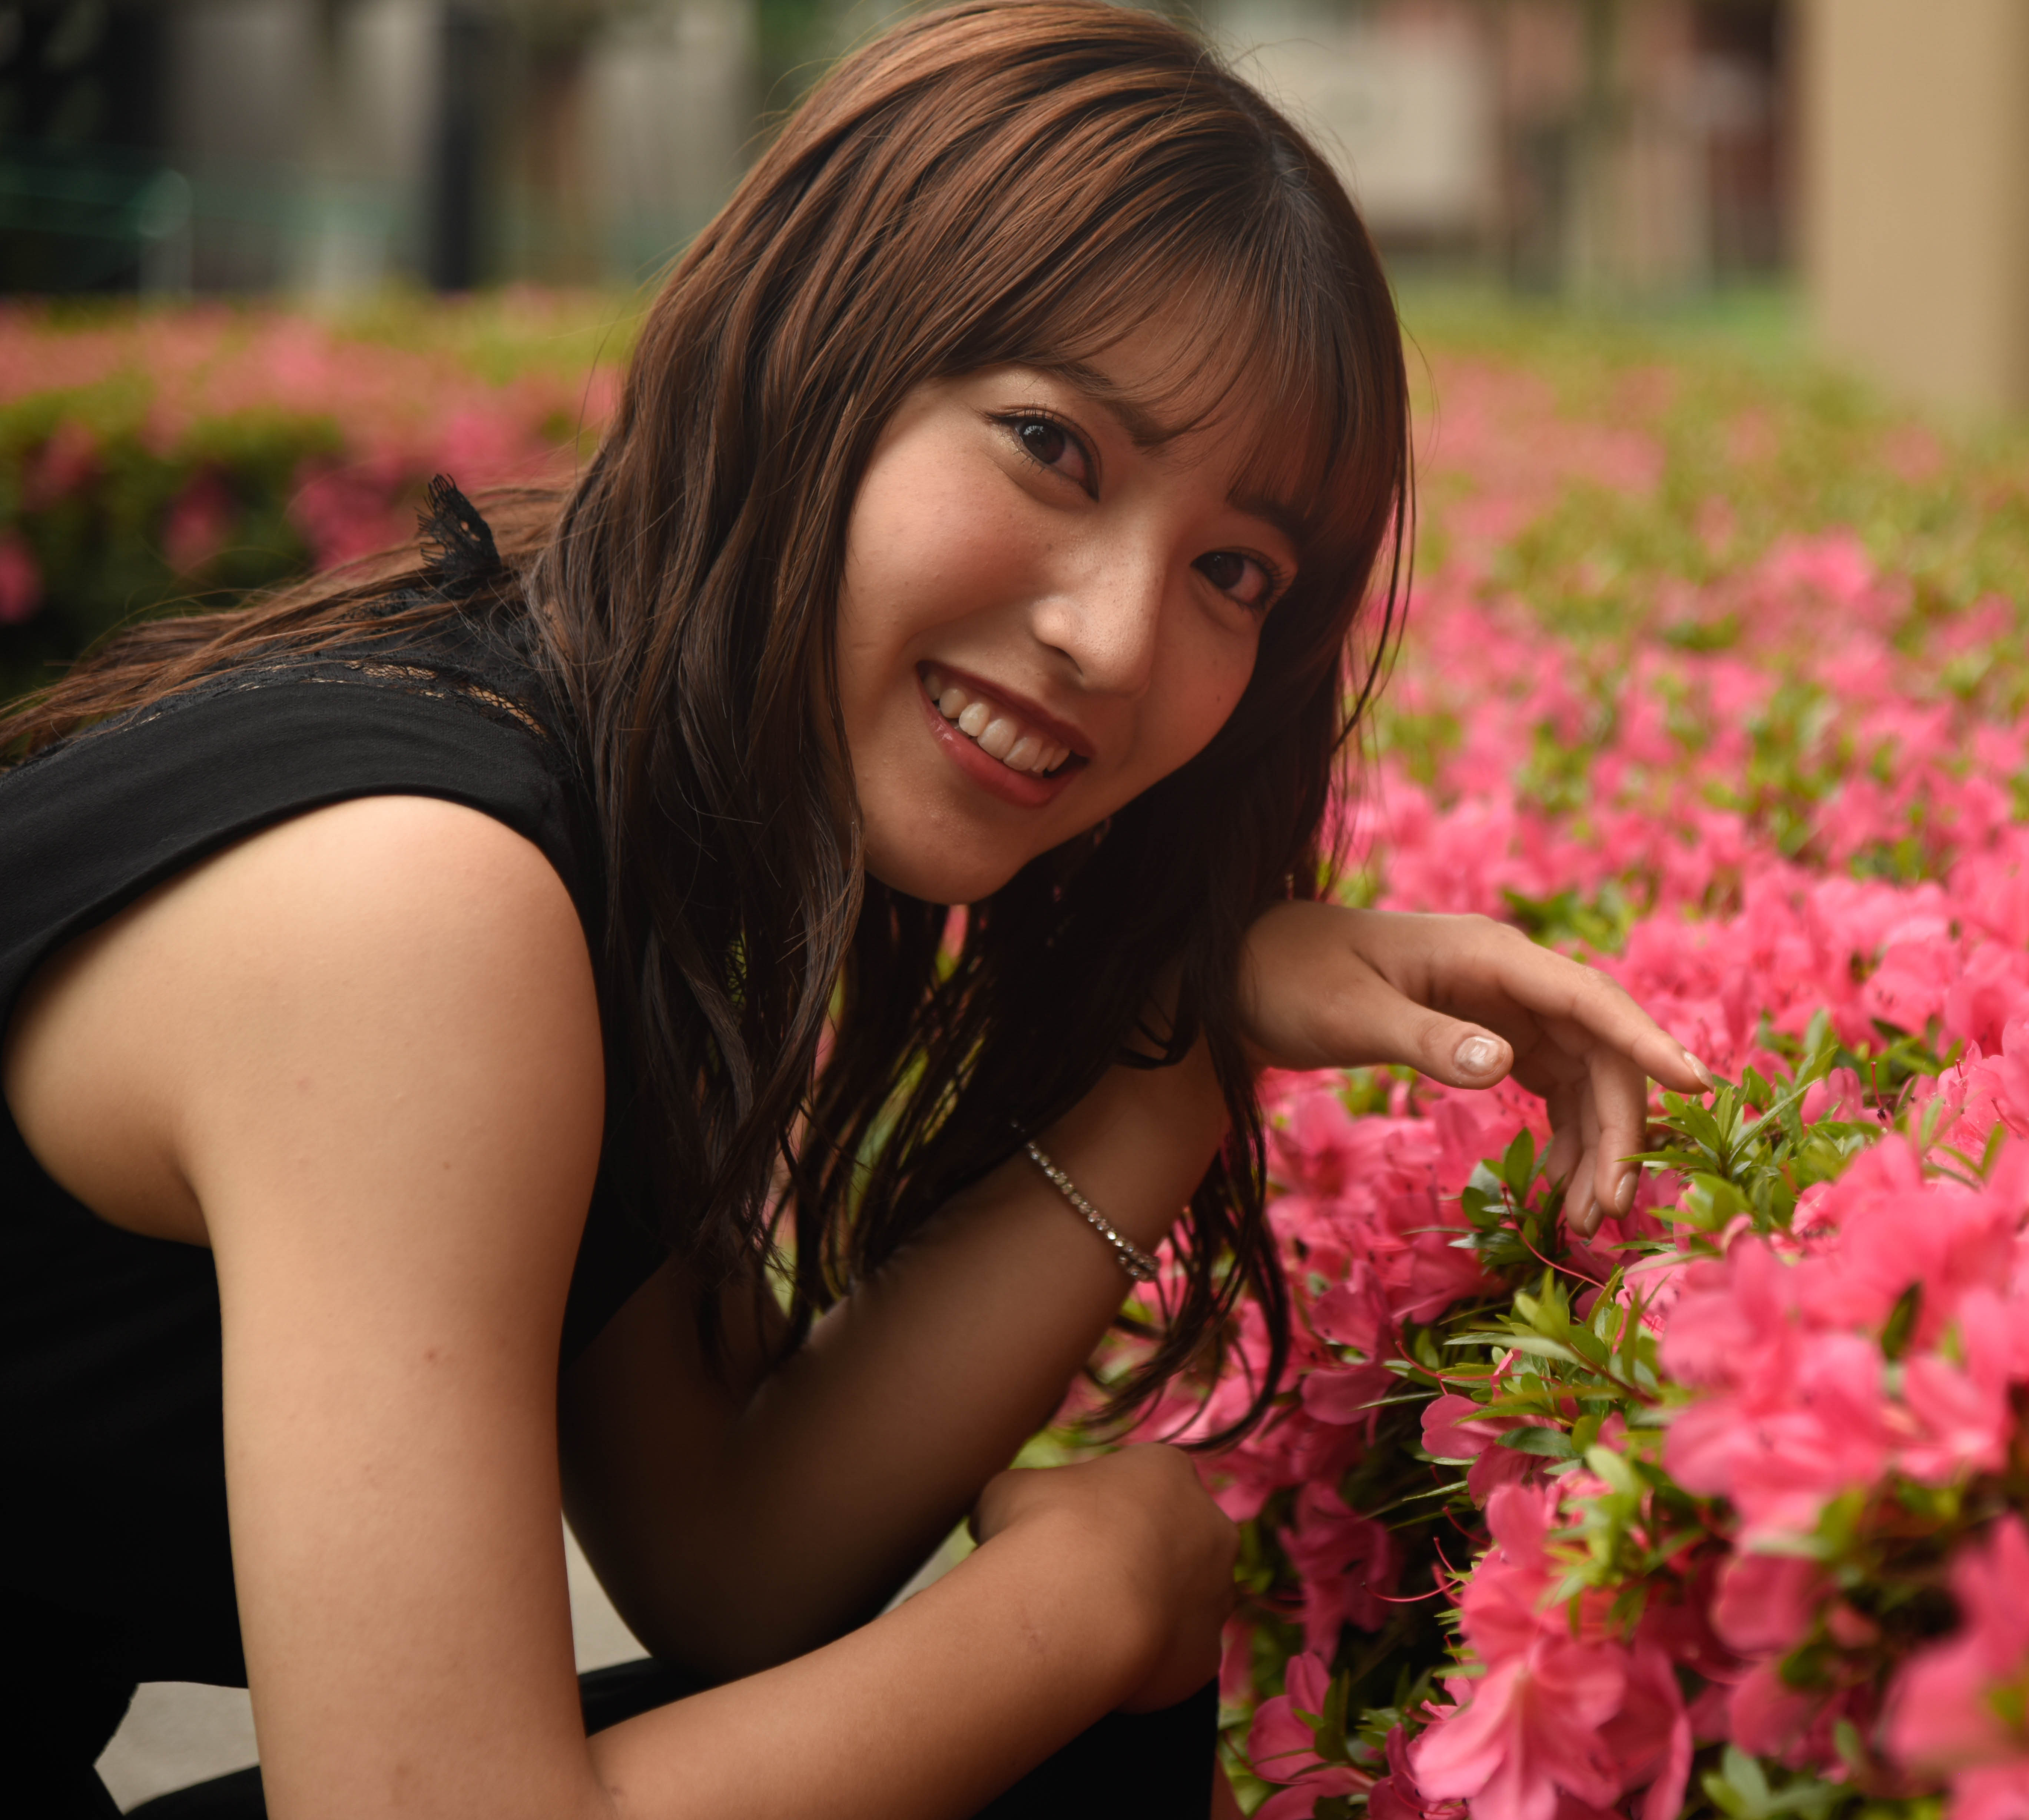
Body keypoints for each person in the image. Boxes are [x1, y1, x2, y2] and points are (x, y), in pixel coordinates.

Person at [0, 5, 1704, 1816]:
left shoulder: (609, 821)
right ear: (810, 359)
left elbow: (728, 1554)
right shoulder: (418, 904)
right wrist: (1090, 1604)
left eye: (1232, 569)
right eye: (1051, 446)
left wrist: (1188, 1044)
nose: (1116, 638)